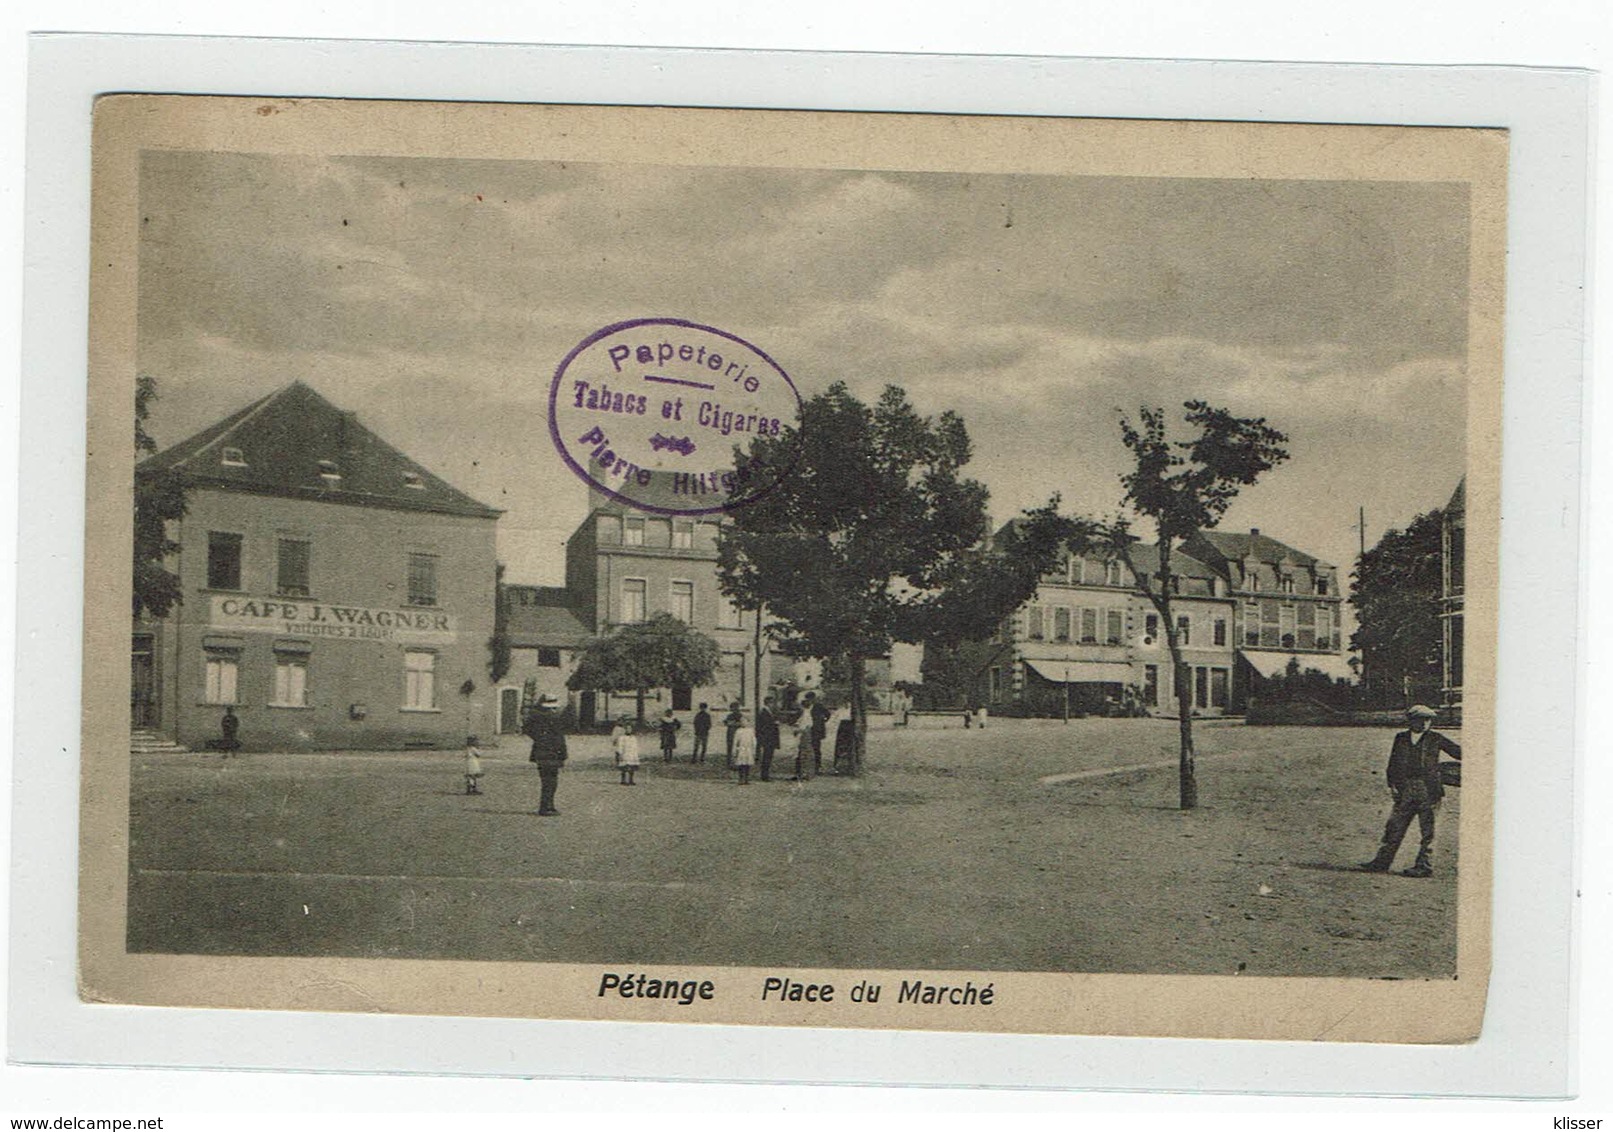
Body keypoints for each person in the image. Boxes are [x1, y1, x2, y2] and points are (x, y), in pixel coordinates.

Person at [1361, 705, 1463, 877]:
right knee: (1394, 827)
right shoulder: (1400, 738)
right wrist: (1392, 785)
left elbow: (1461, 753)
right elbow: (1392, 763)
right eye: (1421, 719)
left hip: (1430, 790)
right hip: (1405, 789)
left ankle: (1424, 866)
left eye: (1428, 719)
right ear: (1411, 721)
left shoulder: (1436, 738)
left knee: (1429, 831)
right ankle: (1381, 862)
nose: (1425, 723)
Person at [525, 694, 567, 816]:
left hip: (544, 753)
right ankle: (546, 807)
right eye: (552, 708)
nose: (554, 710)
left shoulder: (537, 718)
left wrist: (538, 739)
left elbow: (528, 729)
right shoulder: (551, 719)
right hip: (550, 753)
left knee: (548, 781)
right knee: (550, 781)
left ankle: (548, 805)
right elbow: (560, 738)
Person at [756, 699, 780, 782]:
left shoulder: (768, 712)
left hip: (770, 738)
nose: (773, 705)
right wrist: (774, 723)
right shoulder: (764, 712)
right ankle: (765, 775)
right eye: (772, 703)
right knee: (767, 757)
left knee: (768, 756)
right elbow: (764, 726)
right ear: (769, 703)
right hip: (768, 739)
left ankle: (766, 774)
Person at [612, 716, 640, 786]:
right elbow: (620, 746)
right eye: (627, 729)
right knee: (624, 768)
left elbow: (635, 747)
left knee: (632, 768)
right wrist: (620, 753)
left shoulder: (633, 738)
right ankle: (623, 780)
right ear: (625, 729)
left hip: (632, 754)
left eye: (630, 729)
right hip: (625, 754)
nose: (629, 730)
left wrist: (636, 754)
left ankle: (631, 780)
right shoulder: (622, 738)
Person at [731, 709, 756, 785]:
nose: (743, 723)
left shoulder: (751, 731)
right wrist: (734, 750)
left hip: (748, 749)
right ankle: (741, 778)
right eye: (741, 721)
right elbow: (735, 741)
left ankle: (746, 778)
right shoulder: (739, 731)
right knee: (741, 764)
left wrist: (754, 750)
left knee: (747, 764)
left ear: (748, 722)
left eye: (744, 721)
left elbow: (754, 741)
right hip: (741, 749)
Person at [809, 694, 830, 773]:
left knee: (816, 748)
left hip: (816, 730)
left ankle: (817, 766)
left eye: (812, 699)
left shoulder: (818, 706)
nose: (811, 700)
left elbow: (827, 714)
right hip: (809, 729)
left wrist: (823, 721)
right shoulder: (806, 705)